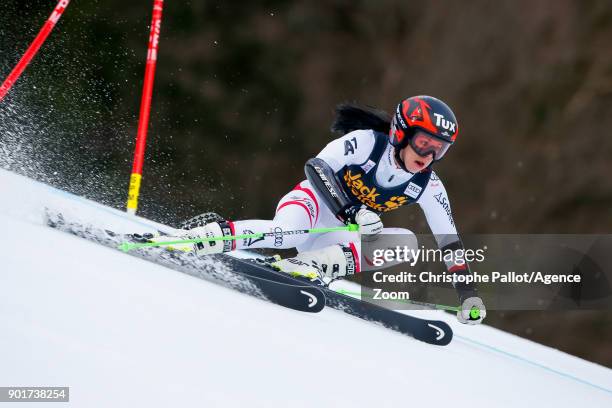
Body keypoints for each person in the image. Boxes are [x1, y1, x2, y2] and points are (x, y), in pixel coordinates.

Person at [156, 95, 486, 325]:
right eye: (424, 143)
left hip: (335, 236)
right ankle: (201, 237)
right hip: (312, 205)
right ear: (402, 132)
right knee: (285, 231)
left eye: (439, 149)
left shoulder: (429, 184)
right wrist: (353, 211)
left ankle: (309, 266)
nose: (428, 155)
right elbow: (317, 168)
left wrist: (468, 295)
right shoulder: (368, 143)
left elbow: (449, 242)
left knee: (407, 242)